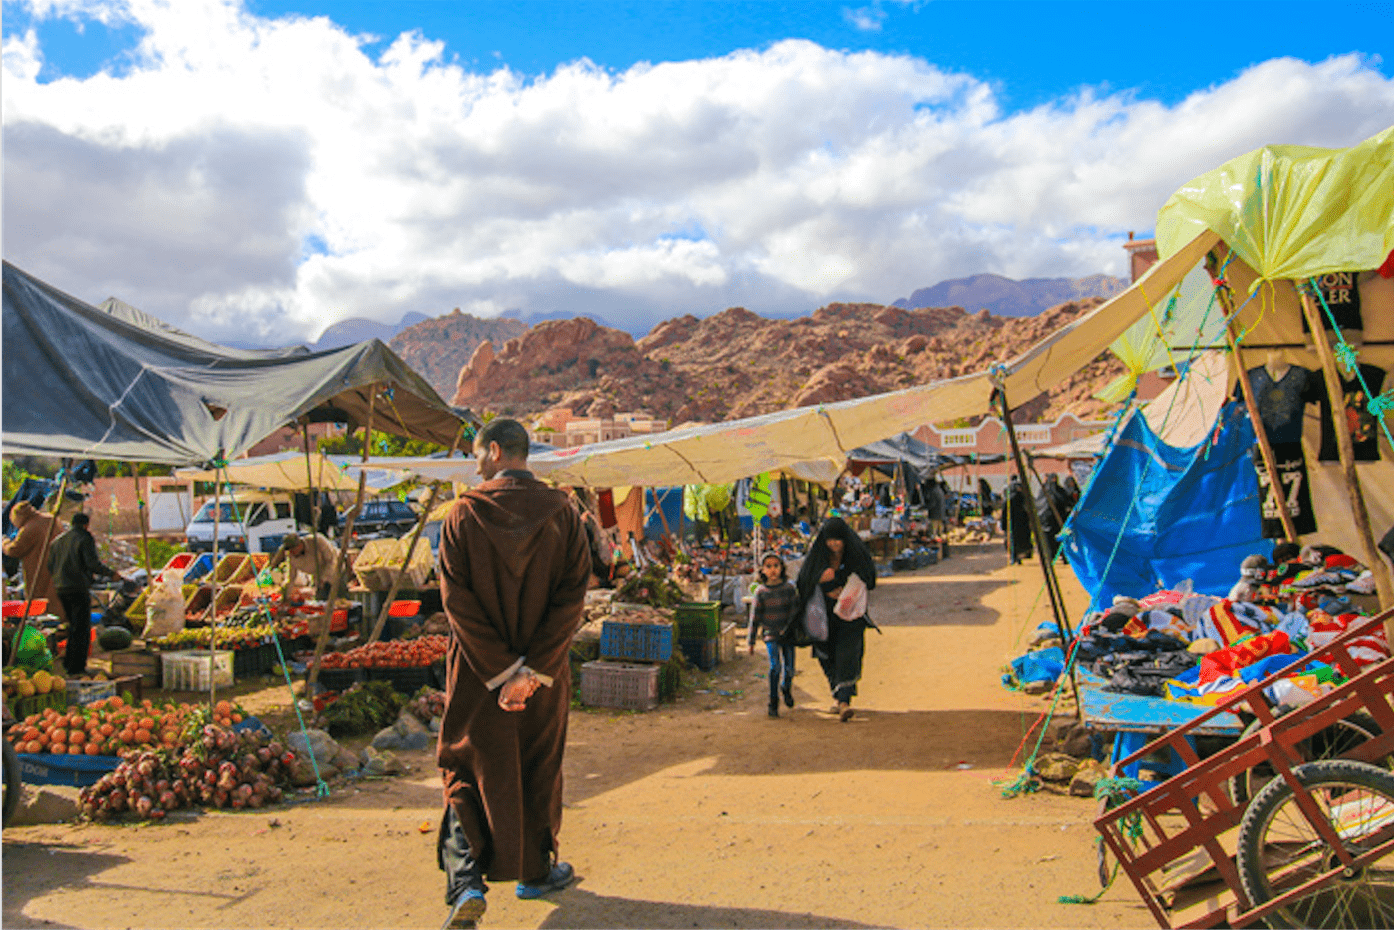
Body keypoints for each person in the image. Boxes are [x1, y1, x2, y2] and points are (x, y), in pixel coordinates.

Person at [435, 419, 591, 930]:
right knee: (538, 766)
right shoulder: (564, 513)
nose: (476, 464)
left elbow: (457, 602)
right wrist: (533, 671)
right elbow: (572, 599)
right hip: (544, 679)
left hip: (477, 675)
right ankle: (536, 871)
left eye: (478, 454)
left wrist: (501, 672)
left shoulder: (462, 515)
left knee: (465, 767)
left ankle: (466, 883)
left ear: (497, 450)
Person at [795, 517, 877, 722]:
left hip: (850, 617)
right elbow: (804, 581)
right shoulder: (818, 558)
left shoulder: (855, 556)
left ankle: (844, 701)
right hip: (823, 616)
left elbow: (869, 578)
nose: (833, 544)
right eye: (830, 540)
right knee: (826, 655)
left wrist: (846, 587)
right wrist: (823, 583)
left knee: (847, 655)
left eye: (838, 540)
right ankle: (838, 696)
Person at [47, 512, 116, 676]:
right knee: (82, 628)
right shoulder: (85, 537)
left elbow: (50, 565)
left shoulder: (57, 541)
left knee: (73, 626)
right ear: (86, 525)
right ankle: (77, 666)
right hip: (78, 587)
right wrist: (111, 574)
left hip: (61, 588)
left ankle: (68, 663)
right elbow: (92, 563)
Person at [747, 553, 798, 718]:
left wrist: (788, 628)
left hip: (788, 634)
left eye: (776, 565)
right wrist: (751, 641)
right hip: (770, 634)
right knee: (775, 667)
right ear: (762, 570)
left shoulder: (789, 589)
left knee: (789, 669)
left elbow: (794, 612)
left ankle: (786, 688)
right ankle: (773, 702)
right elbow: (755, 618)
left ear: (782, 568)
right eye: (768, 566)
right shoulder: (761, 592)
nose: (773, 569)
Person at [3, 501, 65, 623]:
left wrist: (4, 543)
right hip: (59, 568)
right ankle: (60, 625)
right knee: (57, 600)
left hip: (39, 571)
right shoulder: (51, 519)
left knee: (41, 603)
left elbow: (14, 550)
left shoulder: (29, 528)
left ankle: (45, 626)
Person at [267, 532, 339, 600]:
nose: (291, 552)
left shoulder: (317, 541)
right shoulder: (291, 556)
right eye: (289, 550)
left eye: (293, 549)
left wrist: (324, 578)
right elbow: (291, 577)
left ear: (299, 545)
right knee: (321, 600)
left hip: (337, 569)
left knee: (338, 598)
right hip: (318, 577)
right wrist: (286, 593)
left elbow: (332, 561)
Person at [1001, 476, 1032, 564]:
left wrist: (1003, 525)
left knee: (1014, 541)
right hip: (1018, 523)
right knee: (1016, 541)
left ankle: (1015, 557)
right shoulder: (1020, 499)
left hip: (1017, 523)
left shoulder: (1016, 499)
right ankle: (1016, 557)